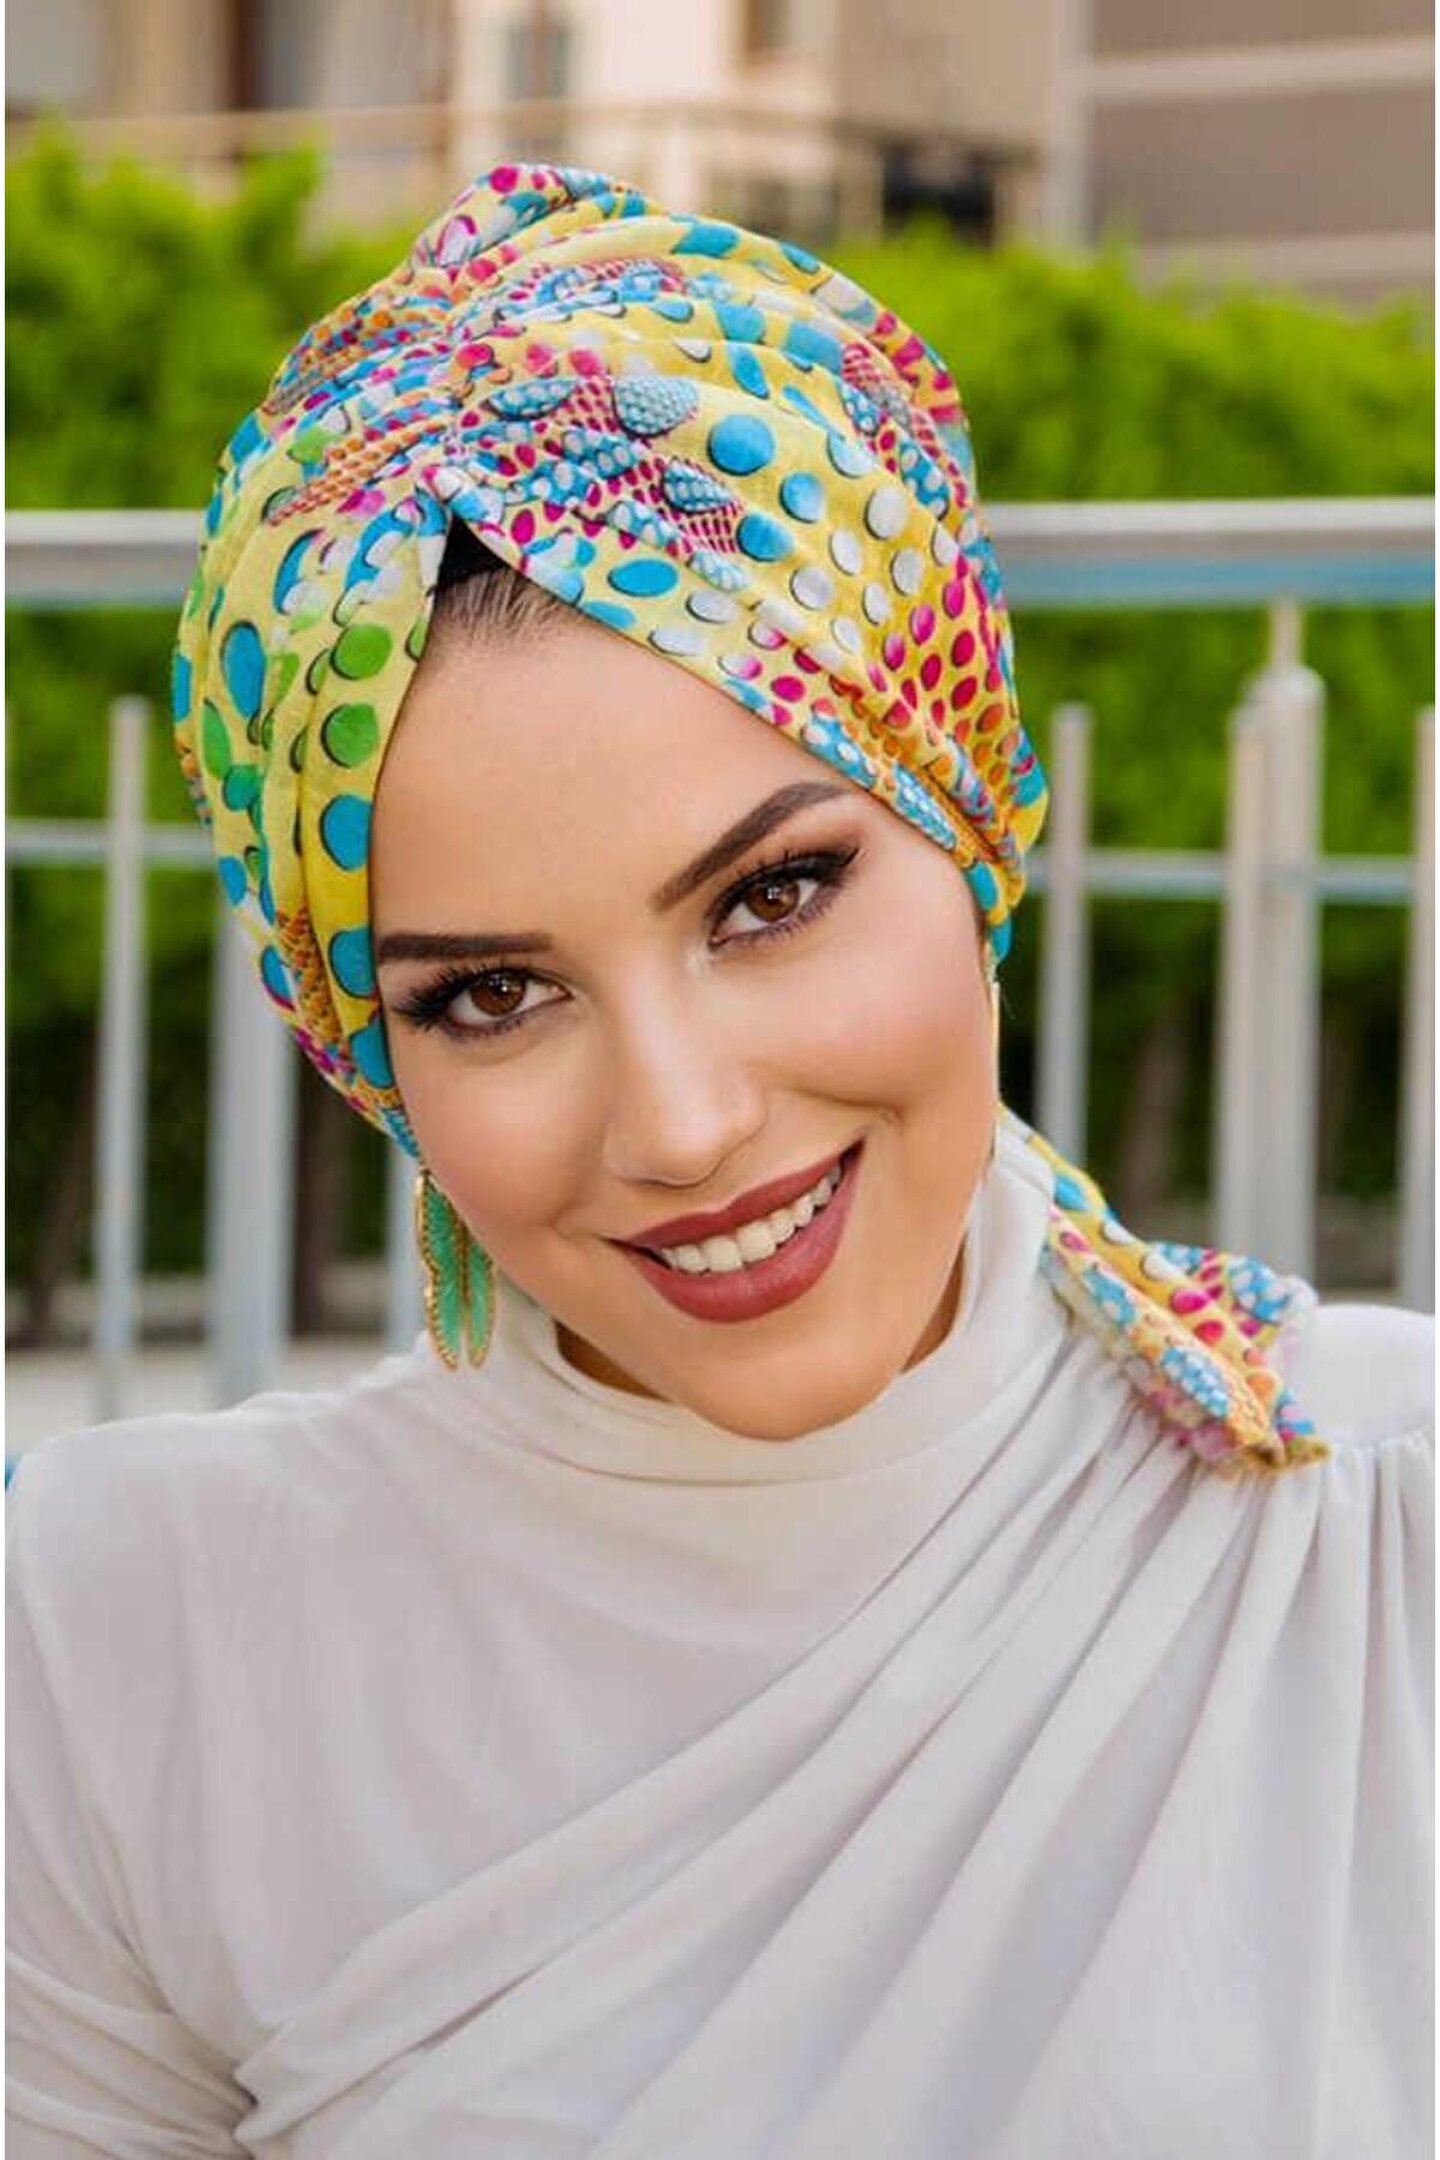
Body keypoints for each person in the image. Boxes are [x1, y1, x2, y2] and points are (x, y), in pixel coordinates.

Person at [7, 163, 1431, 2159]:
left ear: (972, 816)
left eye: (773, 896)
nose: (679, 1124)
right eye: (493, 995)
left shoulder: (1377, 1529)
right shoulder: (123, 1647)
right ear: (366, 1055)